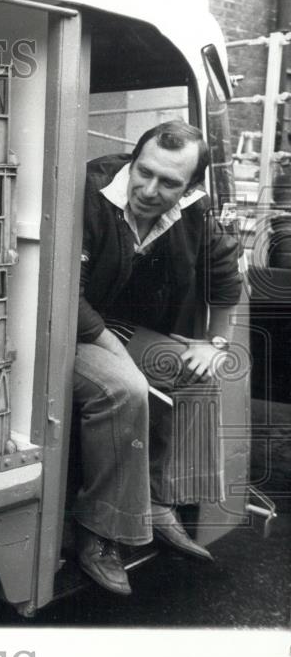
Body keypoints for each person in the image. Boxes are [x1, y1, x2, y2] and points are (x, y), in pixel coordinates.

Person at [73, 120, 243, 595]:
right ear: (132, 159)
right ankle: (98, 535)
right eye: (143, 172)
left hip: (117, 327)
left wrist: (214, 344)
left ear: (189, 186)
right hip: (67, 329)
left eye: (169, 182)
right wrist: (116, 355)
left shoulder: (197, 209)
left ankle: (157, 500)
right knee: (124, 389)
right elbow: (67, 293)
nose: (149, 190)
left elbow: (226, 276)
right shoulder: (89, 189)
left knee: (194, 373)